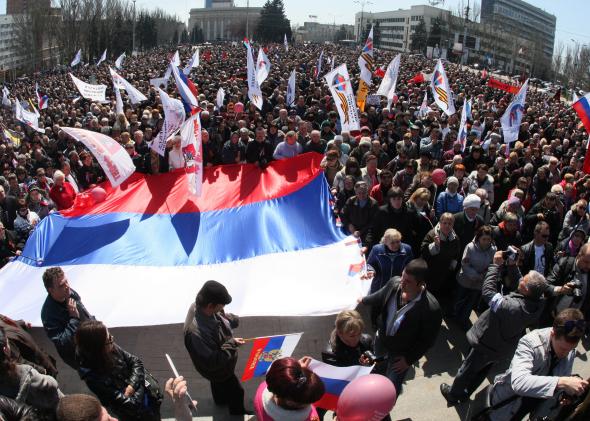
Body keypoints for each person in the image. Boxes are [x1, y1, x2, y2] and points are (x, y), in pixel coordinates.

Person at [440, 252, 547, 405]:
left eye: (524, 279)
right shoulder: (537, 302)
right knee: (483, 370)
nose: (521, 278)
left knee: (468, 368)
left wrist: (495, 266)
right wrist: (512, 266)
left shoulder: (510, 307)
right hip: (501, 347)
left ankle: (453, 394)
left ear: (527, 290)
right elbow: (524, 284)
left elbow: (488, 292)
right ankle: (466, 391)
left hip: (486, 343)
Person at [486, 309, 588, 421]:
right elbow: (519, 383)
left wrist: (565, 393)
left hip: (527, 408)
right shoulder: (531, 342)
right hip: (503, 408)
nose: (566, 354)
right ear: (553, 334)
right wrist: (562, 382)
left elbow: (561, 379)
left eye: (571, 350)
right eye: (563, 349)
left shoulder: (568, 349)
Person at [361, 258, 442, 394]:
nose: (402, 283)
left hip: (400, 355)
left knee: (391, 388)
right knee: (377, 370)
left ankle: (384, 408)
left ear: (420, 283)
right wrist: (363, 300)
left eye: (408, 281)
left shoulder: (431, 309)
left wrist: (408, 360)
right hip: (382, 340)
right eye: (403, 277)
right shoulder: (395, 283)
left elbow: (427, 340)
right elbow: (380, 296)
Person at [183, 280, 251, 416]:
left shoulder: (199, 306)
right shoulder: (196, 334)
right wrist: (232, 344)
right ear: (210, 306)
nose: (222, 309)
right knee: (237, 391)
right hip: (218, 368)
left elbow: (219, 318)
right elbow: (213, 362)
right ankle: (237, 413)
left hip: (212, 372)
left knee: (217, 383)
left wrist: (231, 319)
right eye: (221, 306)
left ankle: (220, 401)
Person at [75, 320, 163, 421]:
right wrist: (140, 379)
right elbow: (132, 404)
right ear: (98, 348)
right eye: (109, 339)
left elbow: (136, 362)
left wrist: (132, 386)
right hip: (137, 415)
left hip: (149, 400)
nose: (112, 339)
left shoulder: (109, 346)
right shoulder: (93, 378)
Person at [41, 266, 95, 369]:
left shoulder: (69, 292)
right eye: (61, 285)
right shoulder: (48, 314)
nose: (67, 286)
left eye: (66, 281)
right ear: (51, 290)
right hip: (82, 357)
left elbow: (83, 310)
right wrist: (74, 319)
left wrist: (95, 323)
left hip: (93, 340)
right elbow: (62, 343)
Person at [0, 326, 62, 411]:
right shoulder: (24, 371)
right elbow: (52, 384)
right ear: (5, 350)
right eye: (8, 342)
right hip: (52, 409)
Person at [453, 225, 497, 331]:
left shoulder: (493, 250)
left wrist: (483, 276)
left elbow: (492, 265)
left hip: (479, 283)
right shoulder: (470, 247)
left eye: (488, 239)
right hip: (465, 280)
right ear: (479, 238)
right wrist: (475, 275)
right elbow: (465, 264)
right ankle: (455, 316)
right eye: (484, 239)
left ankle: (463, 320)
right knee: (460, 299)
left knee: (470, 302)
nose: (486, 242)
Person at [253, 356, 324, 421]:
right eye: (311, 401)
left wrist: (293, 373)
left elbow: (280, 380)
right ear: (292, 403)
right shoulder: (312, 418)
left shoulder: (262, 390)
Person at [421, 212, 462, 308]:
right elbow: (423, 251)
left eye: (450, 223)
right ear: (440, 223)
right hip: (430, 271)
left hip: (444, 271)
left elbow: (457, 252)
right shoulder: (432, 235)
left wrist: (453, 264)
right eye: (444, 223)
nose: (447, 226)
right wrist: (434, 246)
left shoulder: (455, 238)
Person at [366, 228, 413, 293]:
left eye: (398, 241)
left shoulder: (407, 249)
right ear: (385, 242)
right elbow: (370, 264)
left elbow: (410, 266)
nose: (396, 245)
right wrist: (371, 271)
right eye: (392, 243)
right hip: (379, 287)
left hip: (398, 288)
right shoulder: (376, 249)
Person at [340, 181, 379, 245]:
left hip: (366, 232)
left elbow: (373, 222)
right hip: (350, 230)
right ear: (355, 192)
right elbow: (343, 214)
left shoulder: (373, 204)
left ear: (367, 191)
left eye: (364, 193)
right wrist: (349, 225)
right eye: (359, 193)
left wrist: (360, 232)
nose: (361, 195)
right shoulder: (350, 200)